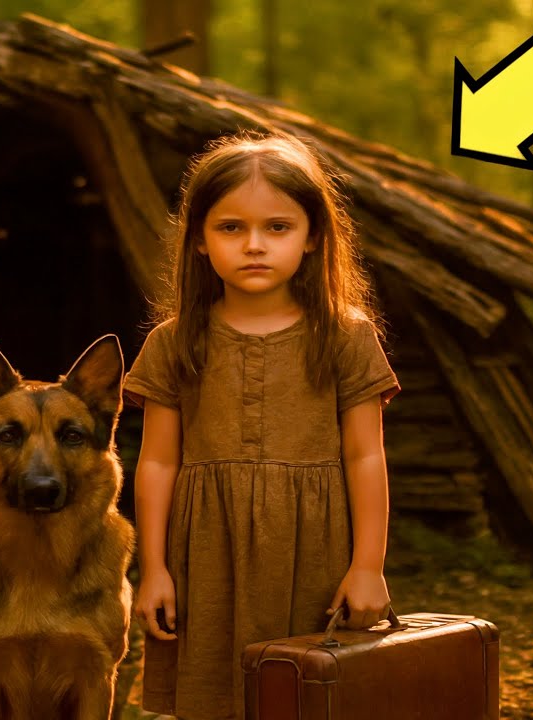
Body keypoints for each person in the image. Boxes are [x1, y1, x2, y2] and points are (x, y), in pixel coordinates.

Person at [126, 132, 399, 719]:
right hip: (205, 564)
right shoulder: (174, 343)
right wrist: (153, 570)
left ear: (312, 237)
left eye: (277, 227)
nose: (254, 245)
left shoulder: (345, 337)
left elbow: (365, 457)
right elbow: (157, 462)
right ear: (199, 240)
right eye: (231, 228)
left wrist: (368, 566)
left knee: (309, 699)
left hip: (318, 561)